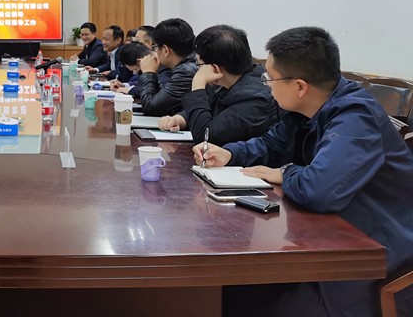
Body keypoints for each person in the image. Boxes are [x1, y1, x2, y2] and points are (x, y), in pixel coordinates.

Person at [195, 27, 413, 317]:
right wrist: (230, 153)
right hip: (330, 239)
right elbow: (272, 143)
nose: (266, 85)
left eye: (269, 78)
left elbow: (319, 190)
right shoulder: (310, 106)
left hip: (374, 261)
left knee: (247, 297)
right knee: (234, 289)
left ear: (300, 86)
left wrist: (285, 173)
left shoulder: (356, 117)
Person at [158, 24, 277, 145]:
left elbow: (205, 137)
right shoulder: (226, 82)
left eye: (198, 64)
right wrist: (180, 119)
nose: (198, 69)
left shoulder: (254, 99)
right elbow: (207, 109)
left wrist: (197, 84)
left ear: (215, 68)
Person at [137, 17, 197, 115]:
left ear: (165, 50)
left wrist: (148, 73)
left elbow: (151, 107)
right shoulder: (189, 63)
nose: (155, 52)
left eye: (155, 47)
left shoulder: (185, 72)